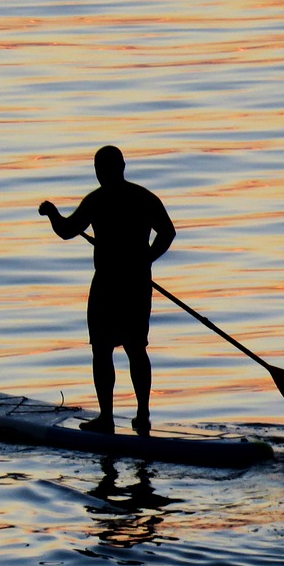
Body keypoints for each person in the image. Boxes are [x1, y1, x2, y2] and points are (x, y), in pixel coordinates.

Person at [39, 146, 176, 434]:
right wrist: (147, 259)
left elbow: (66, 231)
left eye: (101, 168)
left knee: (104, 351)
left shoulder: (98, 200)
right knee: (134, 349)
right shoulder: (142, 198)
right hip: (136, 283)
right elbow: (167, 232)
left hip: (110, 285)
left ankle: (109, 418)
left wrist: (52, 214)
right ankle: (140, 416)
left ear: (107, 170)